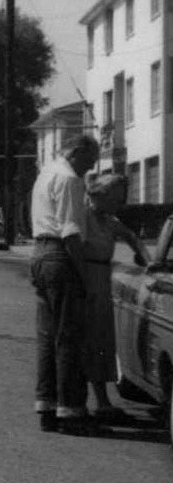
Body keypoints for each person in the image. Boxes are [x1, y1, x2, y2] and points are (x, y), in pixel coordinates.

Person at [30, 134, 99, 434]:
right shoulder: (71, 180)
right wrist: (83, 276)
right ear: (77, 152)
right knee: (69, 335)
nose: (91, 168)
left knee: (48, 335)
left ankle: (47, 405)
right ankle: (71, 411)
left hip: (40, 254)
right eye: (90, 160)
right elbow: (71, 232)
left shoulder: (46, 173)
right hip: (60, 256)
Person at [80, 173, 150, 422]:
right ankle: (79, 402)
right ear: (102, 195)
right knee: (84, 339)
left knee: (101, 341)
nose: (119, 205)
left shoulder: (110, 220)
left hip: (101, 277)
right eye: (117, 199)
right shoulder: (82, 215)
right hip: (82, 276)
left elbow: (132, 237)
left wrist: (148, 260)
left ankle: (102, 402)